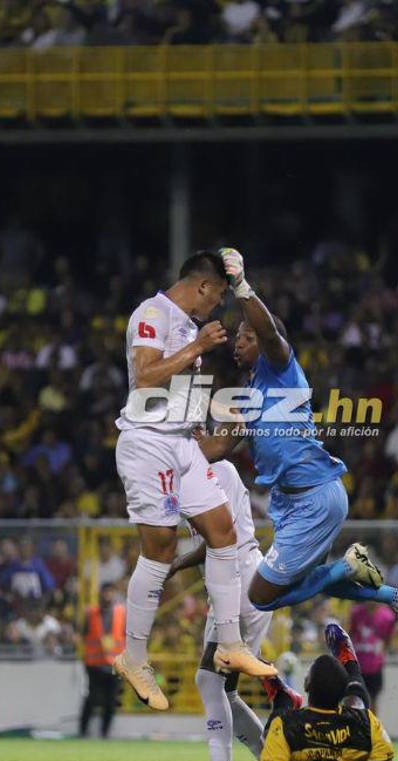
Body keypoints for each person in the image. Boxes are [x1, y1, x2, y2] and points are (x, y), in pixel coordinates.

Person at [196, 247, 398, 641]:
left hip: (315, 498)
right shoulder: (248, 393)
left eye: (246, 336)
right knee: (316, 580)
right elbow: (217, 449)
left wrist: (239, 285)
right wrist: (177, 447)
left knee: (262, 596)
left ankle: (348, 566)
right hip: (292, 503)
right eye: (238, 336)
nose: (238, 342)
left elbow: (269, 332)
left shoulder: (282, 366)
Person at [113, 250, 273, 713]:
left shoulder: (186, 323)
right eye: (219, 295)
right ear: (201, 286)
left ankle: (230, 644)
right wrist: (198, 347)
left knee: (224, 532)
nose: (219, 306)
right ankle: (135, 657)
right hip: (148, 444)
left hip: (181, 443)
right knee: (160, 550)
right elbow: (144, 377)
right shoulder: (152, 313)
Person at [166, 459, 271, 761]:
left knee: (209, 680)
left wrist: (178, 561)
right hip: (225, 587)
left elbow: (221, 535)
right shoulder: (187, 478)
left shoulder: (219, 470)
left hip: (239, 582)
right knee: (223, 690)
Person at [256, 625, 398, 761]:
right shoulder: (368, 723)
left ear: (307, 686)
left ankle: (283, 698)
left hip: (290, 733)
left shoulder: (286, 725)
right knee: (357, 706)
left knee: (275, 728)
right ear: (343, 691)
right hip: (356, 726)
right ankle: (350, 664)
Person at [79, 583, 124, 739]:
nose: (107, 595)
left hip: (114, 665)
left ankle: (105, 734)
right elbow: (84, 635)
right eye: (105, 592)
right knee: (92, 700)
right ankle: (83, 732)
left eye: (110, 592)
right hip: (95, 665)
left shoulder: (121, 613)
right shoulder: (91, 613)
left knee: (111, 703)